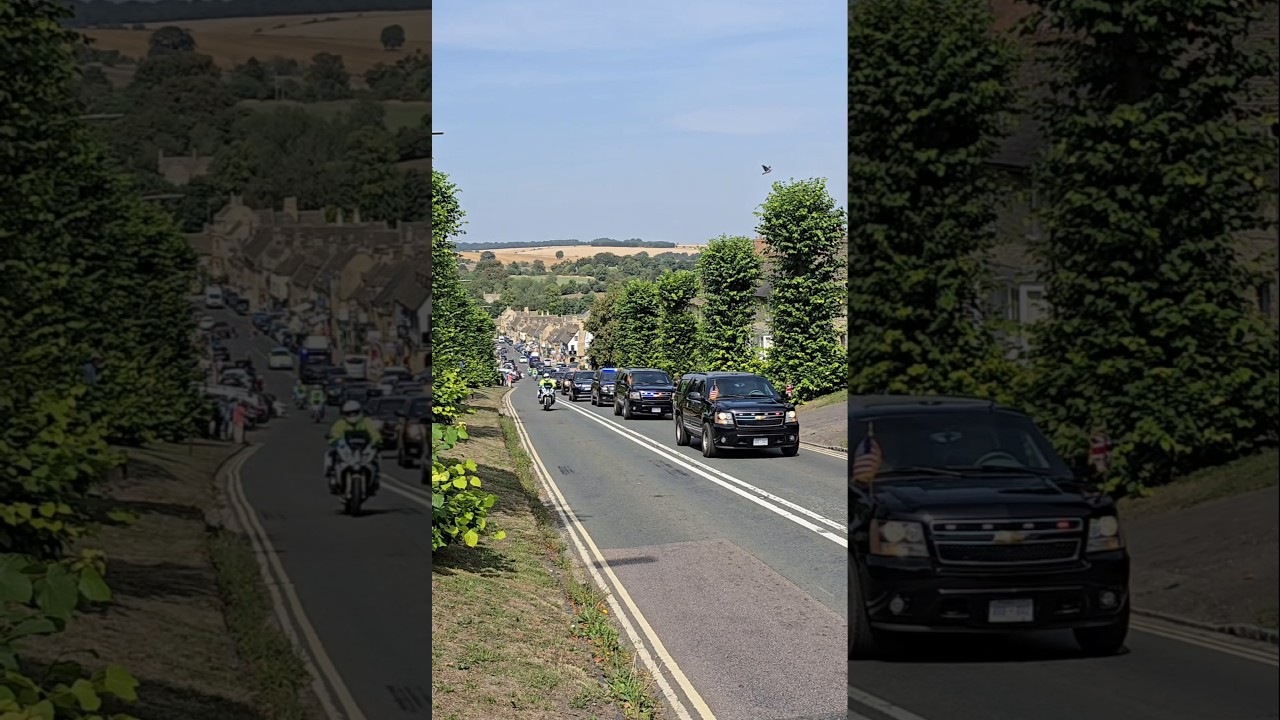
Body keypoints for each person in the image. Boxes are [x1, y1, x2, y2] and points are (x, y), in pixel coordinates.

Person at [325, 400, 383, 494]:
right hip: (347, 450)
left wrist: (377, 441)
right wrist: (334, 439)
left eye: (354, 412)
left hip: (362, 449)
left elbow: (374, 432)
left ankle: (375, 479)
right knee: (332, 455)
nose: (352, 416)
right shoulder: (341, 423)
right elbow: (335, 433)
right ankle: (333, 476)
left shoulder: (366, 421)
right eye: (349, 413)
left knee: (376, 457)